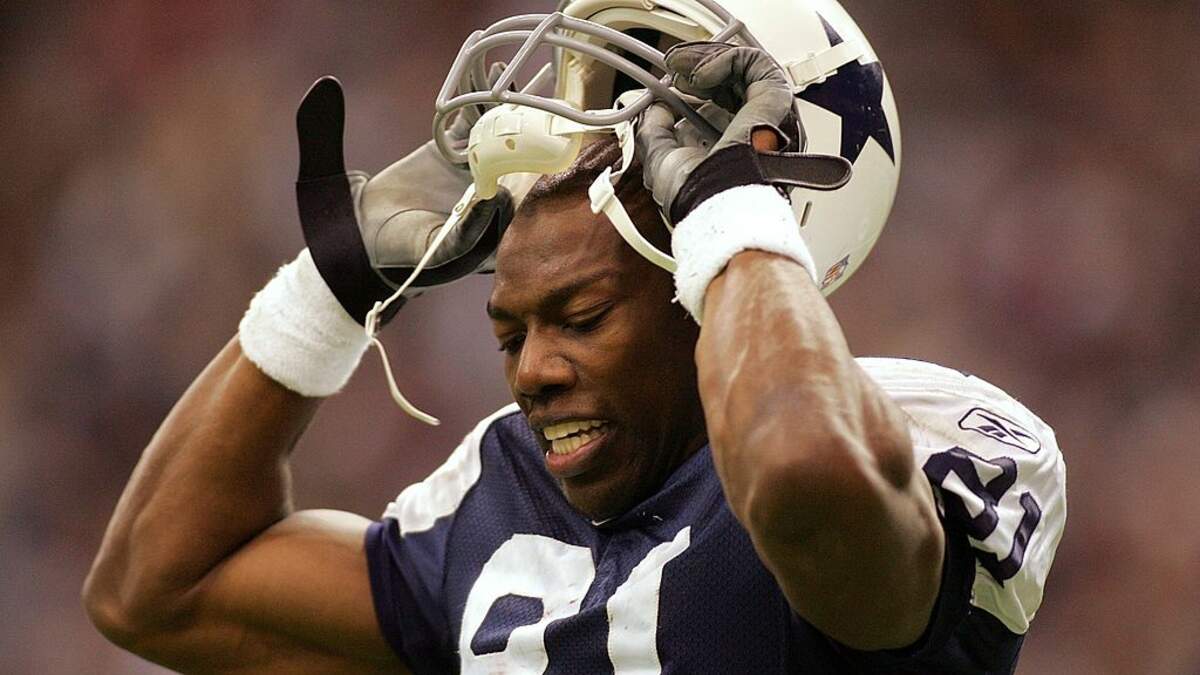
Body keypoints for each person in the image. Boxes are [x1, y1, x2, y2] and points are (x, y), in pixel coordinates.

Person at [83, 13, 1066, 675]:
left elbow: (797, 467)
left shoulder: (917, 433)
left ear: (706, 272)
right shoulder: (502, 493)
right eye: (509, 332)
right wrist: (328, 291)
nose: (533, 373)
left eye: (583, 318)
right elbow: (155, 588)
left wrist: (729, 209)